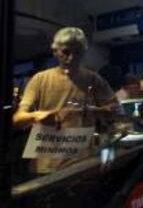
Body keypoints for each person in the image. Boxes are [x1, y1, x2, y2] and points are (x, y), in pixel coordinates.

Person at [13, 27, 119, 174]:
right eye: (66, 52)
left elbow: (113, 114)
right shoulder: (40, 79)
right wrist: (39, 116)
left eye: (77, 52)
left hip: (81, 162)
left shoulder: (93, 79)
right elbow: (18, 119)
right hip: (46, 163)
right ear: (55, 51)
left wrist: (93, 112)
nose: (71, 58)